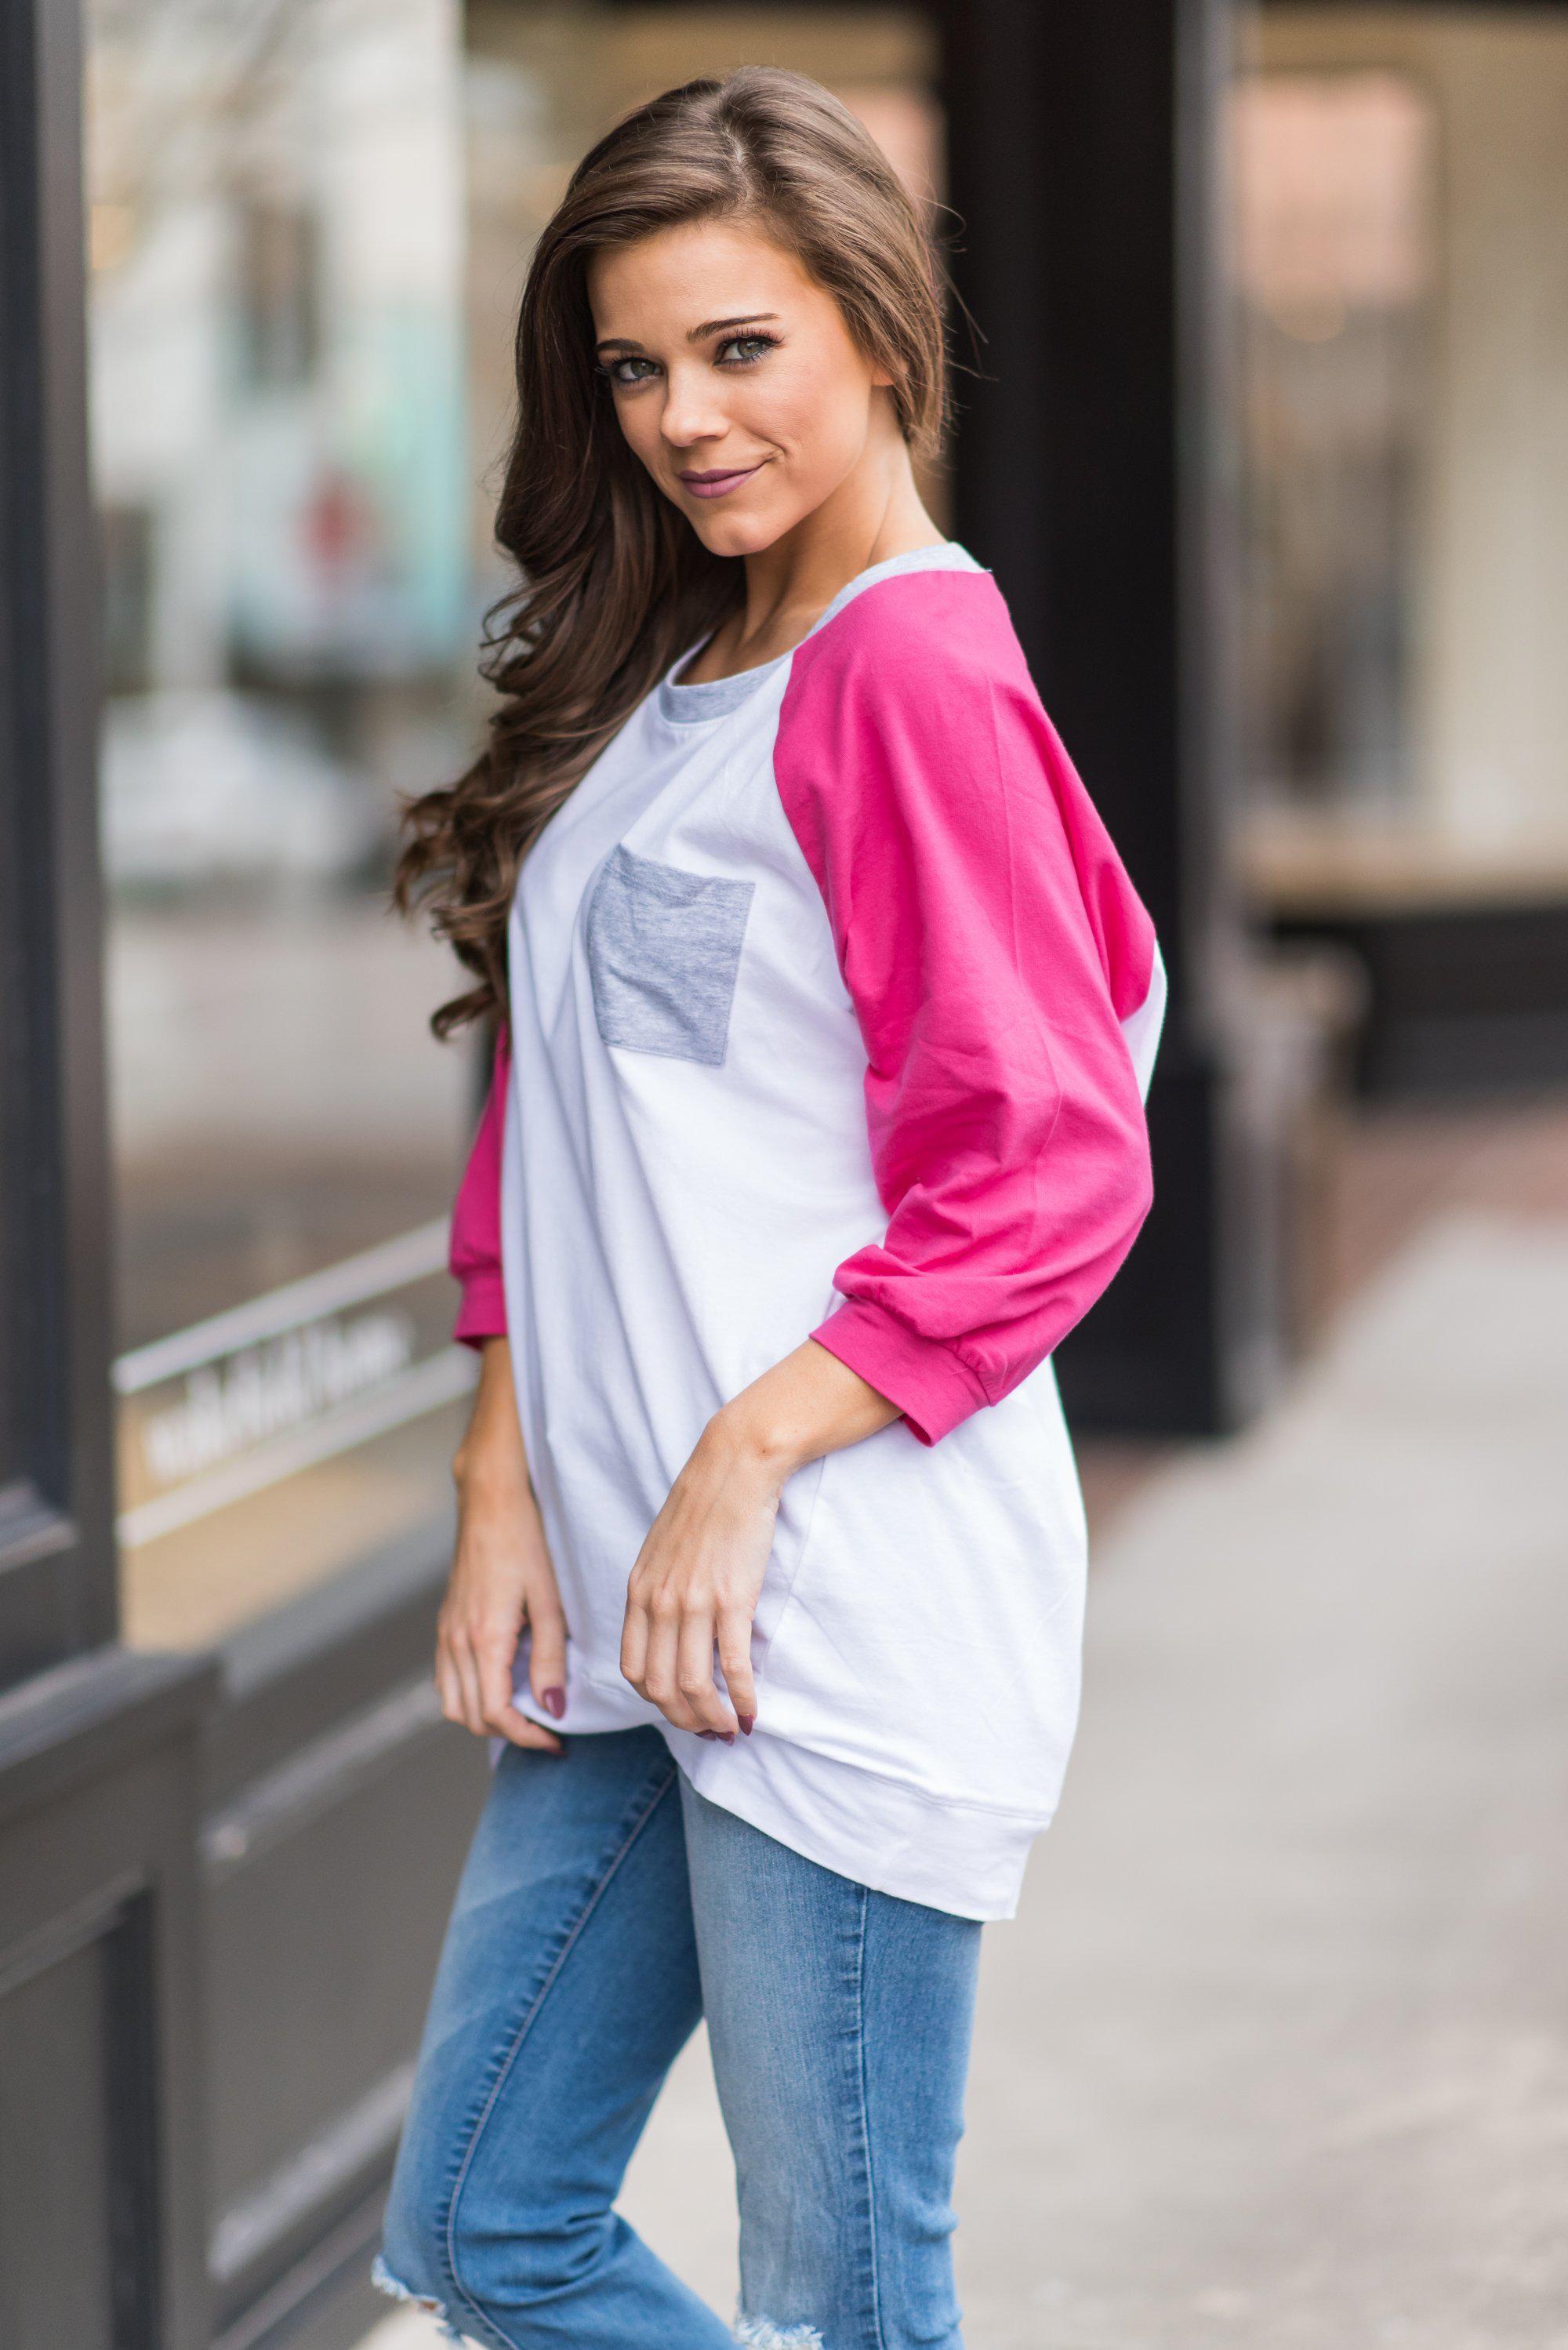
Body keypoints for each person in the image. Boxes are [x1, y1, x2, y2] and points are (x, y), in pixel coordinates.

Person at [372, 64, 1165, 2350]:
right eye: (636, 367)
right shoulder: (684, 659)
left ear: (879, 333)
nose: (684, 420)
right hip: (641, 1609)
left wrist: (743, 1454)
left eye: (742, 349)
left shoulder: (905, 664)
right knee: (488, 2222)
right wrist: (505, 1465)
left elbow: (1047, 1162)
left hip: (825, 1598)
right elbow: (565, 1105)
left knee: (847, 2307)